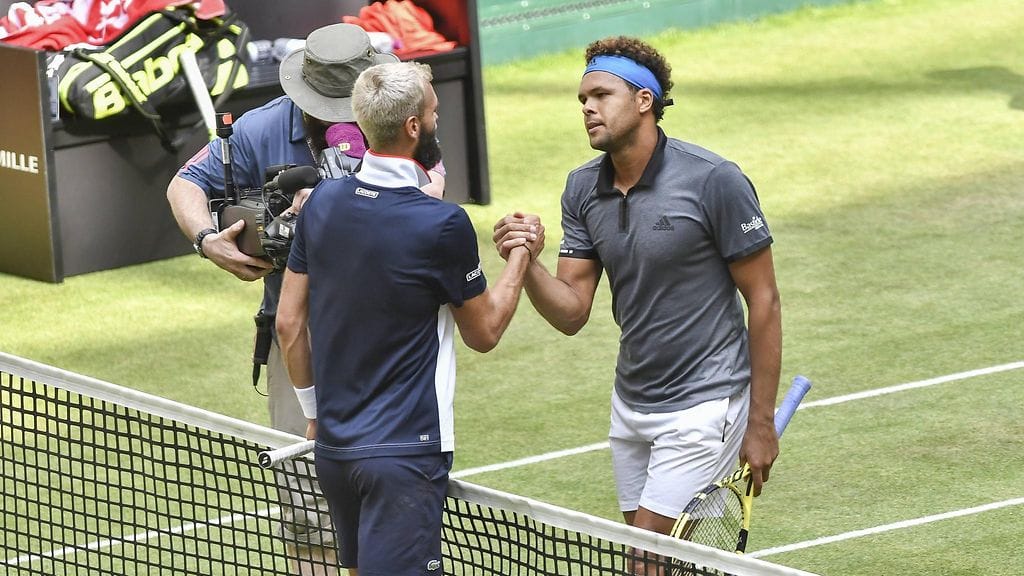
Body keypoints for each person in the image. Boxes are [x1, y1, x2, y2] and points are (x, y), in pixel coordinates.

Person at [166, 23, 442, 575]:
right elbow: (185, 183)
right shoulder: (257, 128)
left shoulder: (397, 118)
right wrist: (207, 241)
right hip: (298, 342)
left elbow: (430, 192)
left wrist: (329, 213)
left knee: (396, 498)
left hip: (392, 345)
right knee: (309, 512)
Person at [493, 36, 783, 546]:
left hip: (705, 402)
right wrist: (529, 261)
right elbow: (571, 311)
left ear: (644, 101)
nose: (587, 108)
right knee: (652, 554)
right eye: (583, 100)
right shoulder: (582, 189)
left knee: (645, 555)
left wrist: (760, 421)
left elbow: (763, 299)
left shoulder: (715, 180)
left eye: (601, 96)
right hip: (631, 403)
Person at [276, 61, 534, 576]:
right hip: (404, 455)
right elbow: (484, 331)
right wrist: (522, 255)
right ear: (414, 127)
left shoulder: (324, 200)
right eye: (434, 112)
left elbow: (288, 323)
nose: (438, 120)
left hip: (334, 452)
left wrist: (313, 412)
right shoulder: (441, 225)